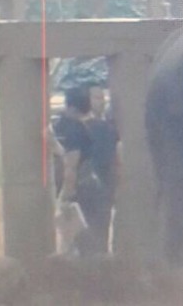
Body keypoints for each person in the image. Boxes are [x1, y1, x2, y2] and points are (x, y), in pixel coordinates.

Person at [52, 87, 95, 255]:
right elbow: (72, 165)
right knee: (74, 239)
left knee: (65, 237)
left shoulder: (57, 125)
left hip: (57, 184)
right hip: (77, 188)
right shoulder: (78, 129)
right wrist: (68, 194)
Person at [80, 90, 120, 254]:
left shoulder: (108, 127)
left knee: (102, 226)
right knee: (85, 226)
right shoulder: (83, 126)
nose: (101, 102)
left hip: (105, 183)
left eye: (103, 98)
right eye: (97, 98)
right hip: (86, 185)